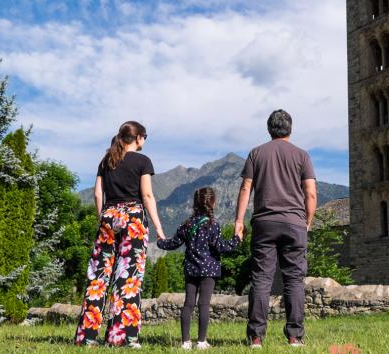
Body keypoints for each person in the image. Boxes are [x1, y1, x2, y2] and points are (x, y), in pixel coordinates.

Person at [75, 121, 167, 348]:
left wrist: (102, 218)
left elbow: (98, 194)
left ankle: (85, 338)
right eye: (144, 137)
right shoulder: (143, 161)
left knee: (97, 277)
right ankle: (121, 337)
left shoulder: (106, 160)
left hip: (108, 216)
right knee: (128, 278)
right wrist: (159, 228)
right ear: (138, 138)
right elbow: (146, 195)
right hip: (133, 219)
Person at [234, 109, 317, 349]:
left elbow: (245, 188)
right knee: (294, 280)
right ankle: (294, 337)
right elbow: (310, 192)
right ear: (290, 129)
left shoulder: (256, 153)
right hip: (294, 223)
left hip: (264, 224)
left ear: (269, 129)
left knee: (261, 279)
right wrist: (307, 222)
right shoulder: (302, 156)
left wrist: (239, 221)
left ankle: (256, 337)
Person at [157, 187, 242, 350]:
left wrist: (160, 240)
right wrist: (236, 239)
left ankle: (185, 342)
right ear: (213, 203)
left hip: (190, 269)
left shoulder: (187, 224)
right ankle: (201, 342)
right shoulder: (213, 225)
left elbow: (173, 243)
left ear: (195, 204)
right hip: (209, 270)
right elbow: (220, 246)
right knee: (204, 304)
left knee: (188, 303)